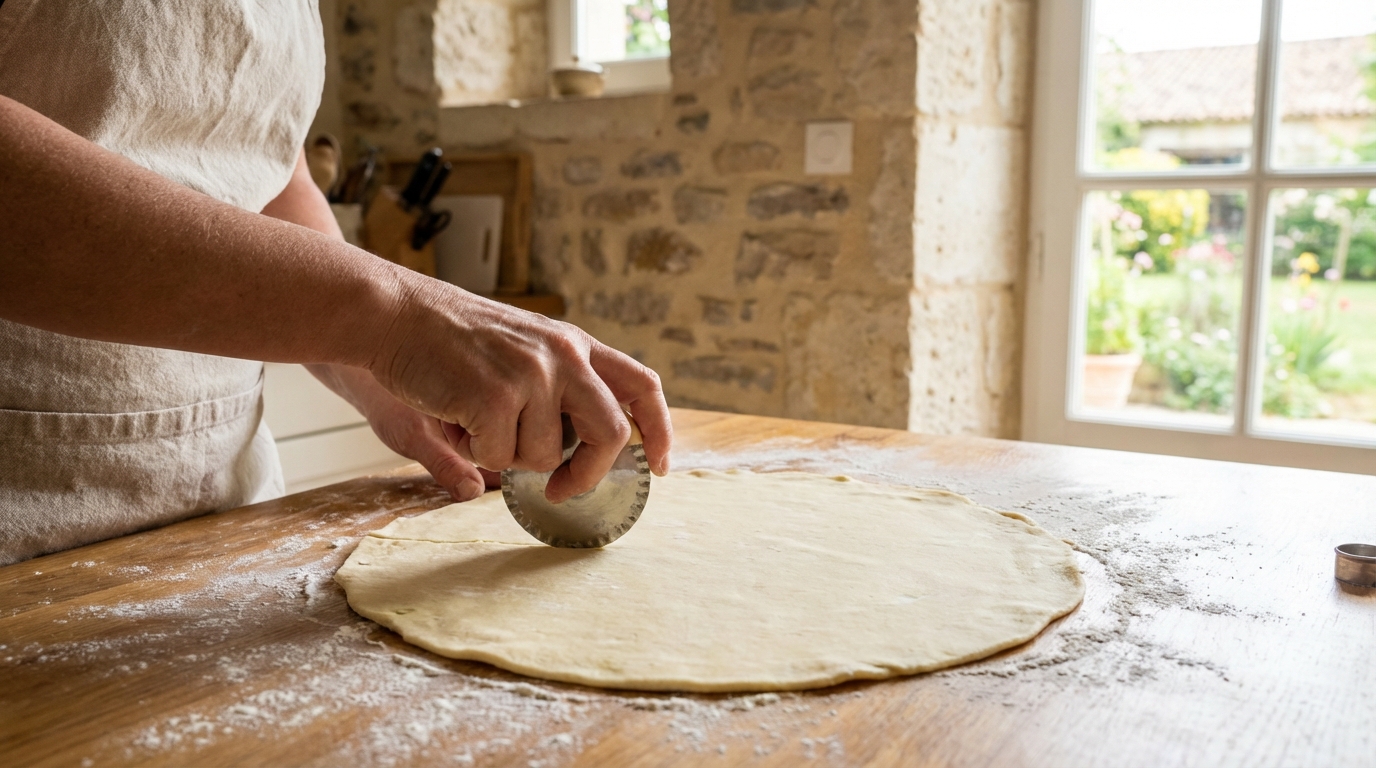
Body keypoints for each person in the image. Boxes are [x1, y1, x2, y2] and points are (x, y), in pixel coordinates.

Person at [0, 1, 672, 566]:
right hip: (25, 507)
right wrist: (392, 318)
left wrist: (375, 373)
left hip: (229, 501)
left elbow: (263, 164)